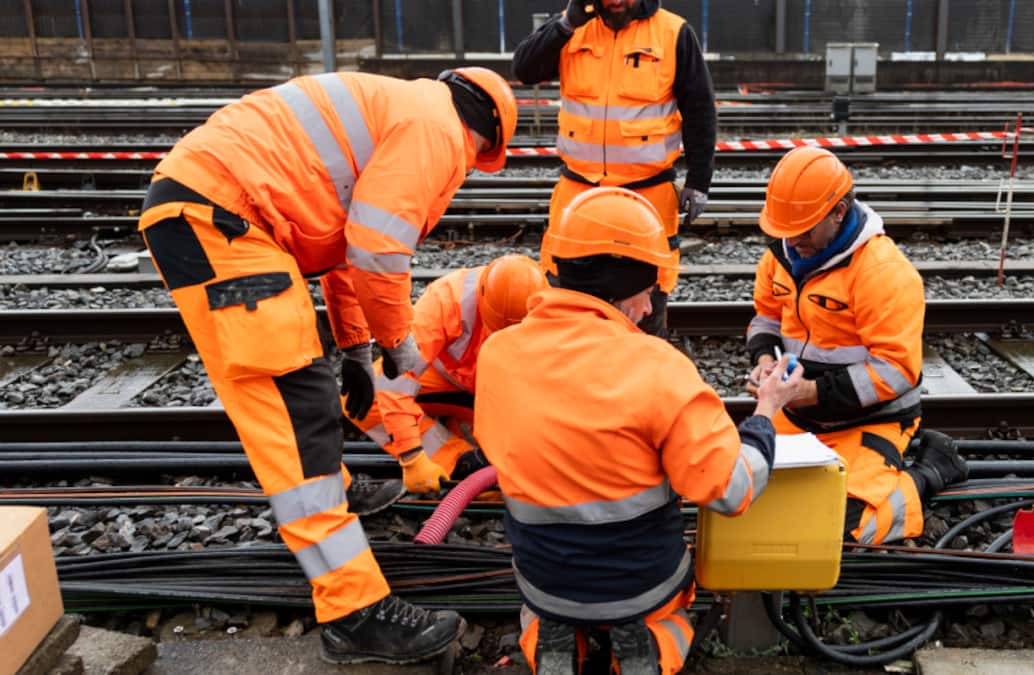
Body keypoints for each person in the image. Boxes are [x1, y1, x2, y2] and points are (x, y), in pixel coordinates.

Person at [137, 68, 517, 666]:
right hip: (223, 218)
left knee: (305, 382)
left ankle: (340, 491)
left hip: (221, 213)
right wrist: (397, 344)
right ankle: (353, 611)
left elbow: (343, 252)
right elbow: (377, 248)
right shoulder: (439, 132)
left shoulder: (400, 109)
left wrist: (358, 351)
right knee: (296, 413)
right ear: (485, 141)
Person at [474, 187, 806, 675]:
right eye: (648, 292)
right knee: (666, 616)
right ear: (625, 289)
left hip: (543, 581)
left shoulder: (497, 355)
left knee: (547, 606)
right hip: (640, 582)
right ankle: (650, 641)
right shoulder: (659, 368)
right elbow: (731, 491)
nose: (650, 309)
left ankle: (554, 638)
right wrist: (765, 411)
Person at [744, 146, 968, 545]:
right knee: (744, 494)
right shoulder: (779, 255)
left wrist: (809, 392)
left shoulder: (882, 272)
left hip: (867, 421)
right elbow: (766, 318)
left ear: (839, 212)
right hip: (797, 415)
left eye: (805, 230)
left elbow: (896, 370)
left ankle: (929, 472)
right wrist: (764, 361)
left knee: (845, 527)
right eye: (785, 230)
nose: (794, 242)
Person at [512, 0, 717, 337]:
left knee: (646, 313)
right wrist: (564, 24)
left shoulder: (674, 33)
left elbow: (700, 110)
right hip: (580, 195)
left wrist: (699, 180)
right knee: (566, 306)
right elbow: (524, 69)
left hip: (646, 196)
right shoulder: (573, 29)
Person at [329, 254, 548, 494]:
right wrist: (411, 456)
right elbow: (398, 380)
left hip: (501, 393)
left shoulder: (553, 309)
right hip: (445, 382)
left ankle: (472, 433)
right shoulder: (446, 300)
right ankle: (458, 459)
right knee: (367, 398)